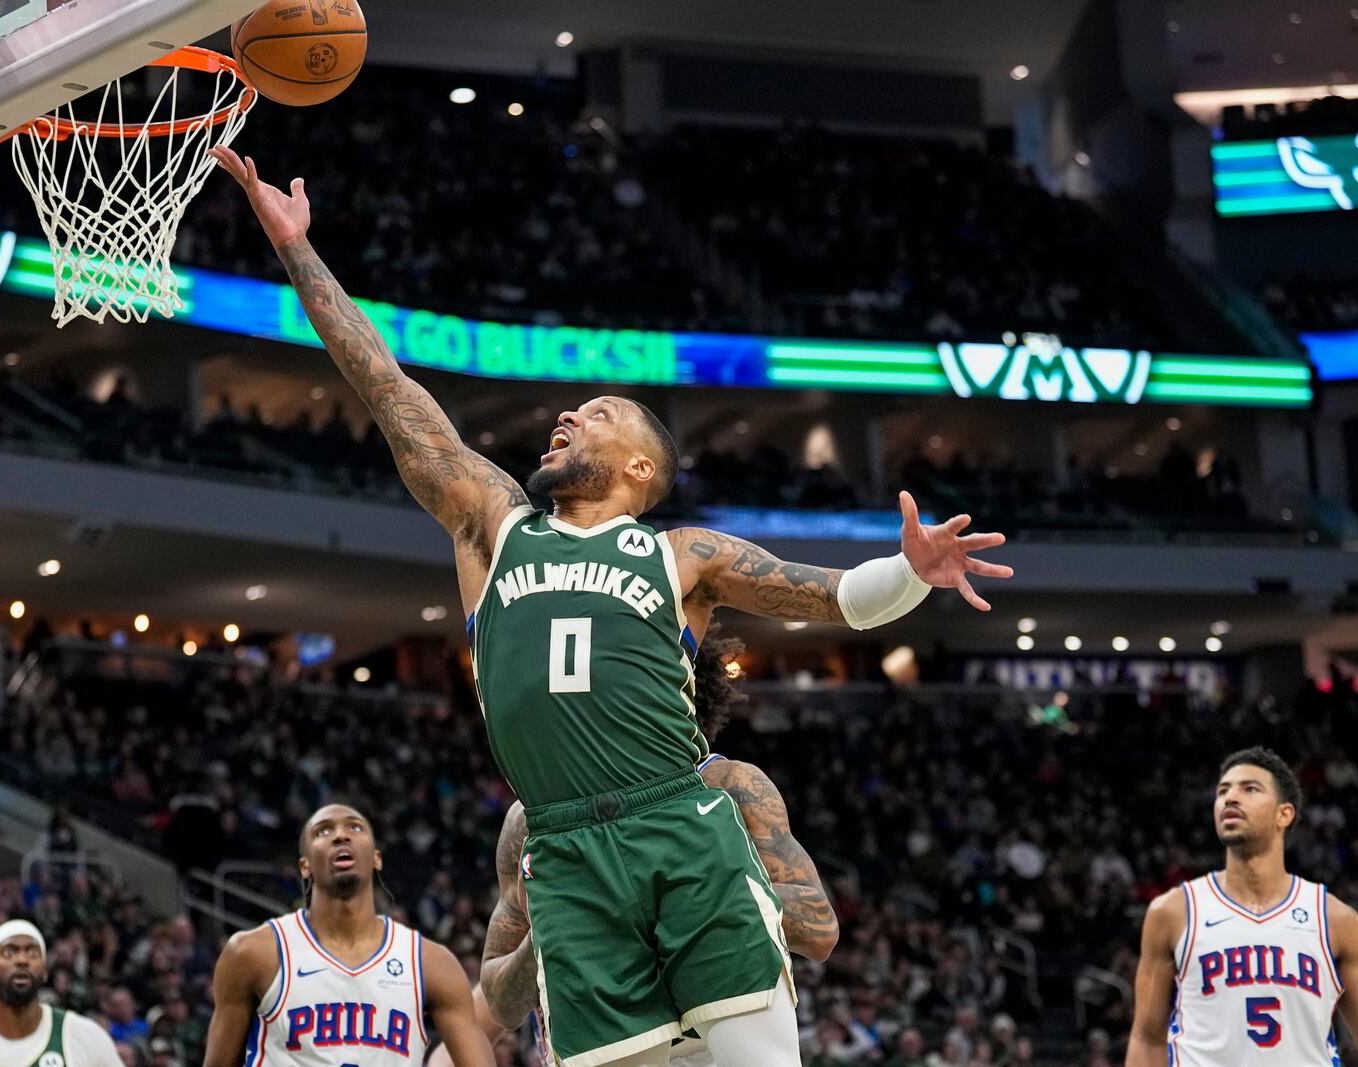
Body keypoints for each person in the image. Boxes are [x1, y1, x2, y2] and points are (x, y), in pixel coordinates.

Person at [211, 147, 1012, 1067]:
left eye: (594, 414)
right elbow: (392, 393)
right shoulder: (493, 525)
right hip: (563, 850)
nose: (566, 418)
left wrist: (909, 570)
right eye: (567, 413)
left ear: (641, 468)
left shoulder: (682, 555)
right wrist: (298, 252)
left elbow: (831, 596)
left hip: (679, 822)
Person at [427, 629, 839, 1067]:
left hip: (715, 1048)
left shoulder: (729, 786)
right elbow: (501, 1002)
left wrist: (698, 894)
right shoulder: (529, 821)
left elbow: (819, 929)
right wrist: (557, 931)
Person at [1124, 748, 1358, 1067]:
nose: (1230, 798)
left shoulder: (1335, 920)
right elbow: (1147, 1038)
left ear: (1285, 814)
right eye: (1223, 790)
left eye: (1249, 788)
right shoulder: (1173, 912)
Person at [200, 804, 493, 1067]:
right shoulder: (253, 953)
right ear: (305, 866)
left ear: (376, 858)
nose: (341, 835)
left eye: (355, 827)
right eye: (323, 831)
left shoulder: (431, 963)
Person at [0, 920, 124, 1067]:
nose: (22, 960)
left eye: (33, 953)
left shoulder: (84, 1036)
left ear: (45, 971)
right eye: (9, 953)